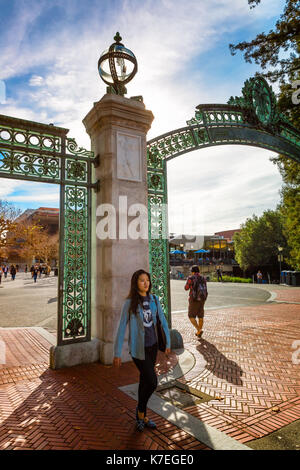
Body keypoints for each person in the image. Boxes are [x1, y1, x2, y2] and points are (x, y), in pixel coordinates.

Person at [113, 269, 171, 432]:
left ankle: (142, 417)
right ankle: (140, 411)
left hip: (152, 347)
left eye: (147, 280)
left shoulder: (154, 299)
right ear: (135, 283)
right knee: (152, 381)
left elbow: (163, 322)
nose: (145, 283)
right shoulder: (130, 303)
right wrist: (117, 353)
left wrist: (168, 342)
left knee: (145, 380)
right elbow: (121, 327)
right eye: (141, 280)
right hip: (138, 349)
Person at [184, 265, 208, 338]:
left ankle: (199, 330)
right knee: (200, 316)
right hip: (202, 298)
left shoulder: (191, 278)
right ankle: (198, 332)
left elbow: (186, 288)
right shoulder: (203, 278)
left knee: (191, 316)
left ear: (193, 272)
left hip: (194, 299)